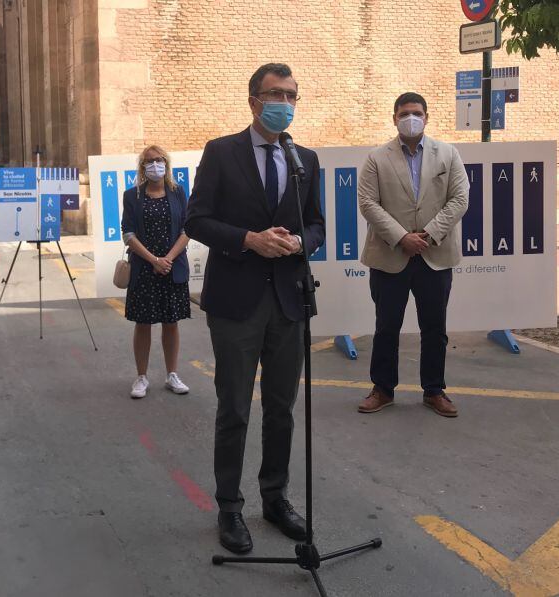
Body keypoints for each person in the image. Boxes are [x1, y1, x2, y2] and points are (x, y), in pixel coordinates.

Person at [185, 63, 325, 554]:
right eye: (275, 93)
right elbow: (197, 219)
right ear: (253, 101)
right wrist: (248, 240)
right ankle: (229, 506)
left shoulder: (304, 158)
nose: (284, 102)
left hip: (289, 300)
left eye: (292, 94)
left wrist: (296, 243)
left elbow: (317, 226)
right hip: (236, 302)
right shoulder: (222, 152)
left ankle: (275, 497)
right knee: (236, 409)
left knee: (283, 408)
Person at [356, 92, 469, 418]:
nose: (410, 118)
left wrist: (430, 234)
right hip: (390, 256)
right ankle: (383, 389)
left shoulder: (448, 154)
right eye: (404, 113)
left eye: (416, 112)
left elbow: (460, 199)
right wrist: (401, 237)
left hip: (435, 255)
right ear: (394, 118)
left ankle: (434, 390)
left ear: (426, 117)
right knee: (386, 326)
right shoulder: (377, 158)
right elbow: (368, 203)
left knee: (435, 327)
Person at [121, 145, 191, 399]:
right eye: (149, 161)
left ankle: (172, 374)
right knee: (143, 323)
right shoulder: (133, 196)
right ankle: (141, 377)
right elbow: (128, 233)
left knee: (171, 323)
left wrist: (167, 259)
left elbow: (187, 229)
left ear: (166, 163)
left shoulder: (178, 192)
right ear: (142, 167)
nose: (155, 165)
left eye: (159, 160)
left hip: (171, 268)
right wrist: (153, 260)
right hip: (144, 267)